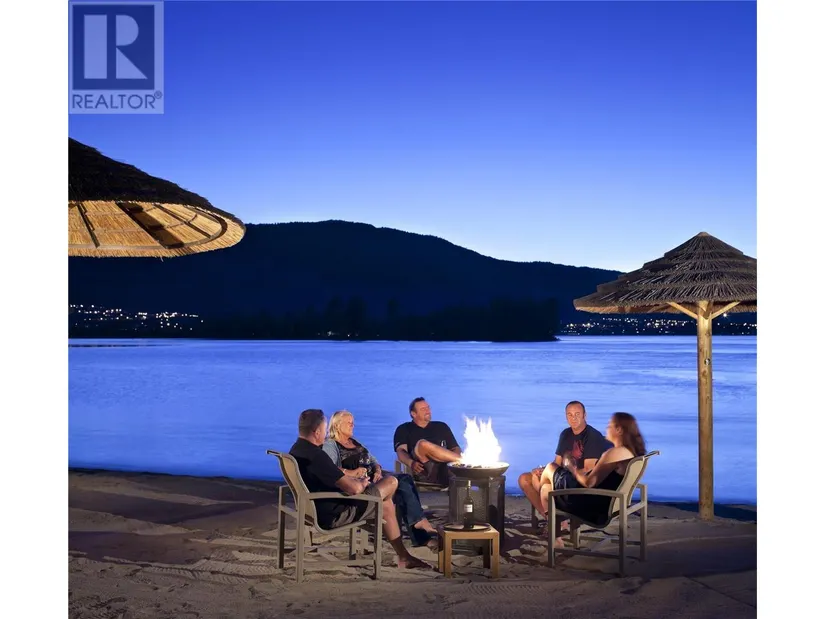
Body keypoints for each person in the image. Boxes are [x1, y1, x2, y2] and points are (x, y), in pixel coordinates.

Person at [288, 408, 429, 569]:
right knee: (391, 482)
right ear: (316, 431)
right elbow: (353, 489)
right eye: (324, 429)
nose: (326, 433)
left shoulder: (297, 449)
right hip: (334, 513)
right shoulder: (317, 455)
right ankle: (404, 552)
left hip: (315, 506)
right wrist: (362, 482)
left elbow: (331, 477)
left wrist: (370, 473)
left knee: (386, 503)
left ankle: (404, 556)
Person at [322, 409, 437, 547]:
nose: (352, 425)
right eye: (349, 423)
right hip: (360, 488)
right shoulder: (331, 445)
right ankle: (420, 532)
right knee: (402, 487)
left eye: (353, 422)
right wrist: (352, 473)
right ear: (337, 425)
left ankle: (419, 529)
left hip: (374, 479)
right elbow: (329, 469)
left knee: (405, 480)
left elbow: (373, 461)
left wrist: (377, 470)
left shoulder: (355, 442)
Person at [540, 412, 647, 544]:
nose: (606, 428)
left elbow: (589, 483)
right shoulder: (630, 452)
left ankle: (554, 528)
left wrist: (572, 467)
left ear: (619, 430)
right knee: (546, 489)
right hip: (609, 502)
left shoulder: (613, 453)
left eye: (610, 426)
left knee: (549, 468)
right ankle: (555, 533)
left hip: (594, 507)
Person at [517, 400, 610, 517]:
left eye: (577, 414)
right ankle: (550, 519)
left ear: (585, 415)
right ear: (566, 416)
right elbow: (557, 462)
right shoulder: (565, 434)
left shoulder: (592, 436)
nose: (573, 418)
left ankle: (556, 520)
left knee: (545, 483)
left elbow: (588, 470)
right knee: (525, 479)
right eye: (569, 415)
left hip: (579, 484)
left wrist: (555, 472)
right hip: (562, 478)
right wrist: (542, 471)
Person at [393, 397, 462, 488]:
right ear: (413, 414)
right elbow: (401, 451)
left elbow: (455, 448)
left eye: (428, 407)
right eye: (423, 409)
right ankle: (463, 460)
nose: (428, 411)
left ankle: (461, 463)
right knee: (422, 444)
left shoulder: (441, 426)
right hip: (424, 470)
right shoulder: (404, 429)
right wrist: (411, 463)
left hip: (446, 468)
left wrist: (455, 463)